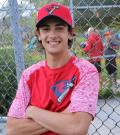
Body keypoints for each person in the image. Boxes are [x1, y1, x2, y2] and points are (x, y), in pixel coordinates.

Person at [6, 2, 99, 135]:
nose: (52, 35)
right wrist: (64, 116)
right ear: (38, 34)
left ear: (70, 33)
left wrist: (32, 111)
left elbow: (77, 128)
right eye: (46, 29)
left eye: (59, 28)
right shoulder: (29, 75)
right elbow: (13, 129)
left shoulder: (86, 71)